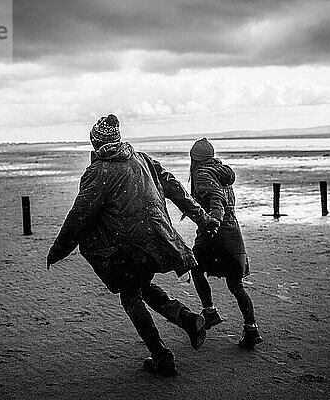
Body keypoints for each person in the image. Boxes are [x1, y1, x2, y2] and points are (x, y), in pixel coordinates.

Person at [47, 115, 220, 376]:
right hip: (157, 242)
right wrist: (202, 218)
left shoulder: (99, 171)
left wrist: (59, 249)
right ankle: (187, 319)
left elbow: (80, 215)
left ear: (95, 143)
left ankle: (162, 356)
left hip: (128, 250)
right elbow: (175, 188)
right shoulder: (141, 159)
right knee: (143, 287)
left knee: (131, 297)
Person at [188, 138, 262, 349]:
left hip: (215, 232)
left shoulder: (202, 173)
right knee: (236, 285)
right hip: (233, 233)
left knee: (195, 267)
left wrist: (214, 220)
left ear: (194, 158)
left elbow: (215, 199)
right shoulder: (221, 172)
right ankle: (251, 329)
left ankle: (210, 312)